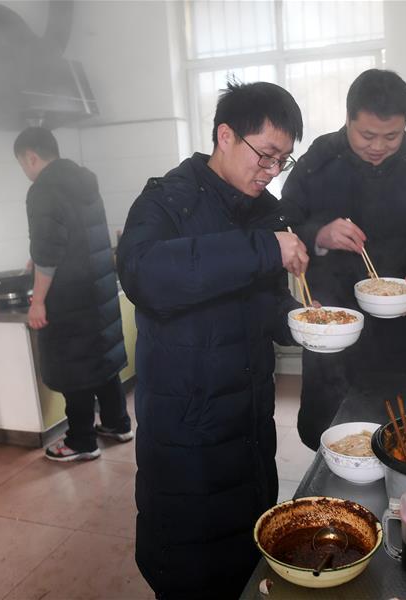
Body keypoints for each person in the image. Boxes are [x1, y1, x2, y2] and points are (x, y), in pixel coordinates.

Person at [117, 81, 308, 599]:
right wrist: (263, 248)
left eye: (282, 161)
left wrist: (302, 324)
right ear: (225, 135)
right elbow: (145, 276)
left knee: (247, 556)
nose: (271, 172)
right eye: (265, 155)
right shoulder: (167, 199)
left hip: (247, 422)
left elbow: (264, 303)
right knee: (188, 565)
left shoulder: (262, 209)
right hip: (187, 430)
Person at [281, 69, 406, 451]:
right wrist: (319, 235)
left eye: (392, 136)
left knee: (398, 435)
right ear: (347, 119)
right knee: (327, 433)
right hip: (332, 324)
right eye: (367, 135)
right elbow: (283, 224)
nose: (378, 146)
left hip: (399, 332)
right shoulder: (318, 161)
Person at [14, 127, 133, 462]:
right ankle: (117, 423)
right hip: (96, 287)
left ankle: (81, 440)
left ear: (31, 157)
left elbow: (50, 251)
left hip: (68, 296)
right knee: (102, 359)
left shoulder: (43, 190)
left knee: (74, 368)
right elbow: (70, 234)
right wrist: (37, 255)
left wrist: (37, 301)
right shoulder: (83, 181)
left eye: (23, 164)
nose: (25, 171)